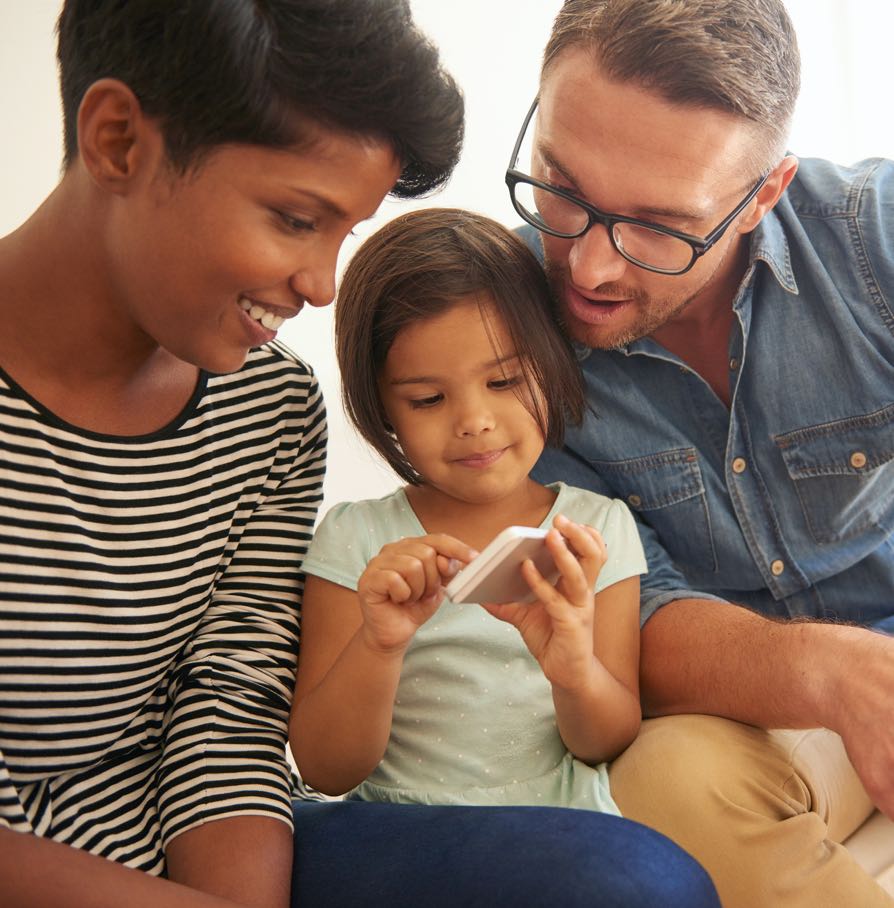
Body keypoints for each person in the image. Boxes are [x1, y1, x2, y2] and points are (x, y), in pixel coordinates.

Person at [0, 3, 717, 907]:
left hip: (237, 858)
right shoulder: (358, 530)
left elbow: (229, 710)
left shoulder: (267, 405)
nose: (323, 285)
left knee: (636, 884)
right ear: (116, 141)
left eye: (344, 233)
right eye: (297, 219)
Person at [503, 0, 894, 905]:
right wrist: (837, 674)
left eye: (659, 226)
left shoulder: (873, 240)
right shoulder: (491, 336)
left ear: (766, 192)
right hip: (752, 710)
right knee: (666, 782)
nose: (591, 268)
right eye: (560, 184)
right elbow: (623, 617)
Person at [290, 208, 721, 907]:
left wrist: (572, 665)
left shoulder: (592, 527)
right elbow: (325, 767)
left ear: (551, 366)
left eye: (503, 382)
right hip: (397, 836)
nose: (474, 420)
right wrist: (379, 643)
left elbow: (605, 740)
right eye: (427, 398)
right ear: (383, 406)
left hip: (559, 838)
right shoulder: (357, 539)